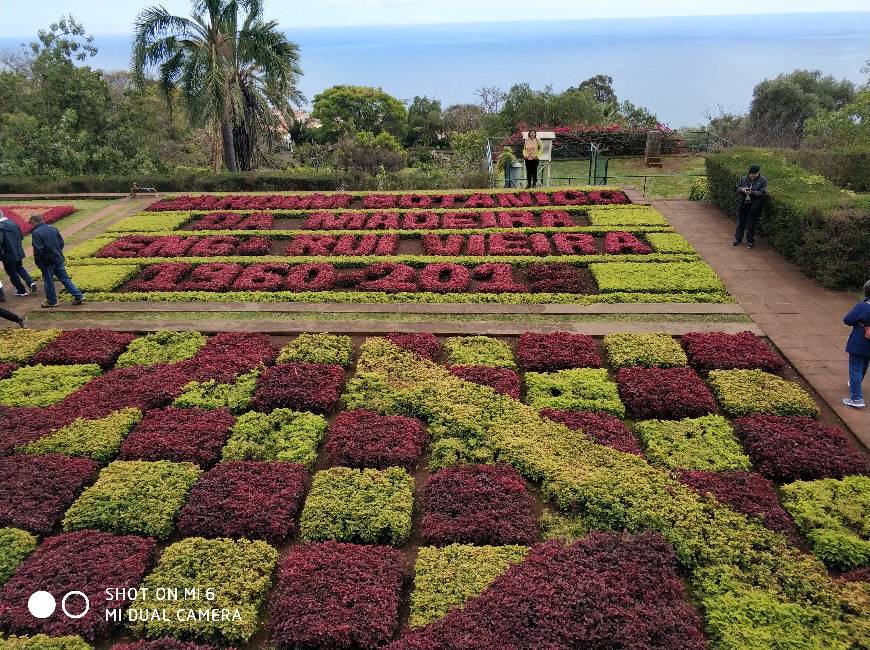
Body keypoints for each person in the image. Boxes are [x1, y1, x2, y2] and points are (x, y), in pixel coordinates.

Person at [29, 214, 85, 308]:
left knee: (48, 281)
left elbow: (38, 250)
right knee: (64, 278)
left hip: (47, 262)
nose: (30, 225)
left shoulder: (36, 232)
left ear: (34, 221)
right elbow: (61, 243)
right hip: (58, 258)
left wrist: (39, 262)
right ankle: (78, 296)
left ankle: (52, 301)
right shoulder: (53, 228)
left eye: (30, 223)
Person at [842, 279, 870, 408]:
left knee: (855, 368)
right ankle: (855, 385)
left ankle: (856, 398)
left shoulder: (863, 306)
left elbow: (848, 319)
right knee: (864, 365)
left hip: (860, 343)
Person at [0, 209, 37, 296]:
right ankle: (31, 282)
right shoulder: (13, 223)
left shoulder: (0, 227)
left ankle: (21, 290)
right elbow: (21, 236)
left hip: (7, 254)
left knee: (11, 272)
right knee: (19, 267)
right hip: (18, 251)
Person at [733, 163, 767, 249]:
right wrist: (742, 190)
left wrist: (752, 193)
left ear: (758, 173)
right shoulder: (743, 179)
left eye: (754, 175)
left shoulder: (762, 181)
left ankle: (750, 240)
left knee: (751, 223)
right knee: (740, 222)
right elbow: (737, 188)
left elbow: (763, 193)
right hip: (743, 203)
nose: (753, 176)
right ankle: (738, 239)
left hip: (754, 205)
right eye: (751, 174)